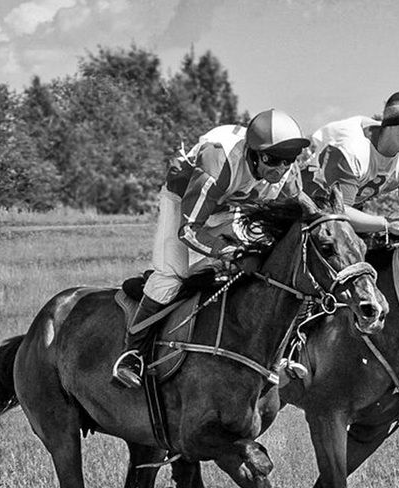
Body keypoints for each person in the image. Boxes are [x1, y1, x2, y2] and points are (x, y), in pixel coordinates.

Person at [111, 108, 311, 389]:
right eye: (272, 160)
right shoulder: (218, 159)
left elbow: (305, 213)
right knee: (172, 275)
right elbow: (189, 230)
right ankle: (133, 353)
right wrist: (231, 253)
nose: (280, 169)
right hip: (183, 201)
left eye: (288, 160)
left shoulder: (288, 174)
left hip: (230, 206)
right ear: (254, 154)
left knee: (263, 266)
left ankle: (277, 351)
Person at [302, 90, 399, 237]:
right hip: (306, 210)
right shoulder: (352, 150)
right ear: (390, 125)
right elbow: (339, 213)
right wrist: (386, 224)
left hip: (343, 214)